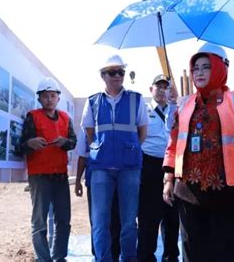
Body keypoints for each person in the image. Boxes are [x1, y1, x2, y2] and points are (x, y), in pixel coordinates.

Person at [162, 43, 234, 262]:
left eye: (207, 67)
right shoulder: (184, 104)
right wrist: (168, 177)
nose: (200, 72)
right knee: (194, 251)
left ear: (220, 68)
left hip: (228, 192)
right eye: (196, 68)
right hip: (189, 191)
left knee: (232, 250)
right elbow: (174, 140)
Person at [81, 54, 148, 262]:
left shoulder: (136, 99)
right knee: (100, 221)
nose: (117, 76)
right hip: (100, 168)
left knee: (129, 221)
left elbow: (142, 133)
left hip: (129, 168)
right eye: (112, 72)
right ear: (103, 76)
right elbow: (89, 134)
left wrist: (128, 148)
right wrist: (103, 149)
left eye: (121, 72)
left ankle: (128, 258)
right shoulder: (92, 102)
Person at [20, 77, 77, 262]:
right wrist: (30, 142)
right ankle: (43, 259)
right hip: (39, 177)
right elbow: (20, 146)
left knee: (63, 220)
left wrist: (64, 142)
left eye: (53, 95)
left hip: (60, 176)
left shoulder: (65, 118)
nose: (49, 99)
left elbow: (73, 142)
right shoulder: (32, 117)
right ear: (39, 99)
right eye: (45, 96)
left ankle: (59, 257)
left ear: (58, 98)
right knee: (39, 222)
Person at [137, 74, 180, 262]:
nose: (162, 90)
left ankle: (171, 255)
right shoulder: (143, 111)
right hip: (150, 165)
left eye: (166, 87)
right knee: (149, 215)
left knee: (172, 213)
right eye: (159, 86)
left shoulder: (178, 110)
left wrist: (175, 104)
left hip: (173, 165)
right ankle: (146, 256)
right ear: (151, 89)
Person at [74, 129, 121, 261]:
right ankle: (99, 255)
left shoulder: (115, 123)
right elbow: (82, 156)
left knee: (116, 219)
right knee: (97, 221)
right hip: (94, 180)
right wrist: (78, 181)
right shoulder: (86, 128)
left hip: (117, 179)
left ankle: (115, 255)